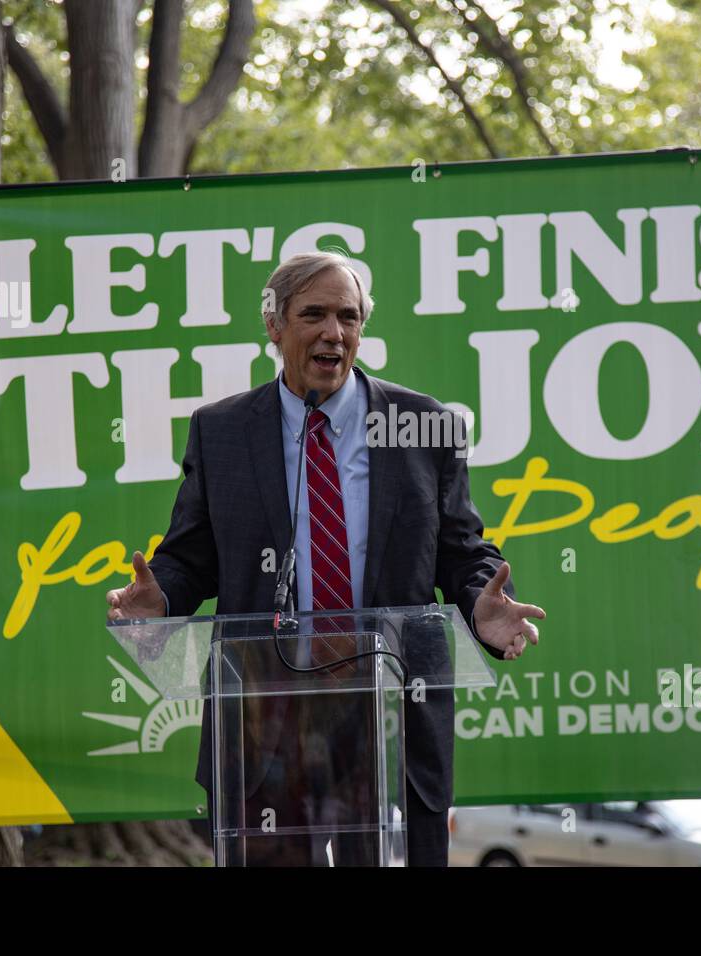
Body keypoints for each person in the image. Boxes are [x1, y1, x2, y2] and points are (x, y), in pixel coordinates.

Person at [107, 250, 545, 866]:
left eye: (349, 316)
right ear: (275, 325)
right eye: (313, 314)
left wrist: (479, 605)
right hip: (266, 721)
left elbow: (460, 550)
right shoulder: (223, 431)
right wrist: (163, 597)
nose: (333, 333)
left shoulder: (423, 425)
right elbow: (192, 556)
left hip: (391, 713)